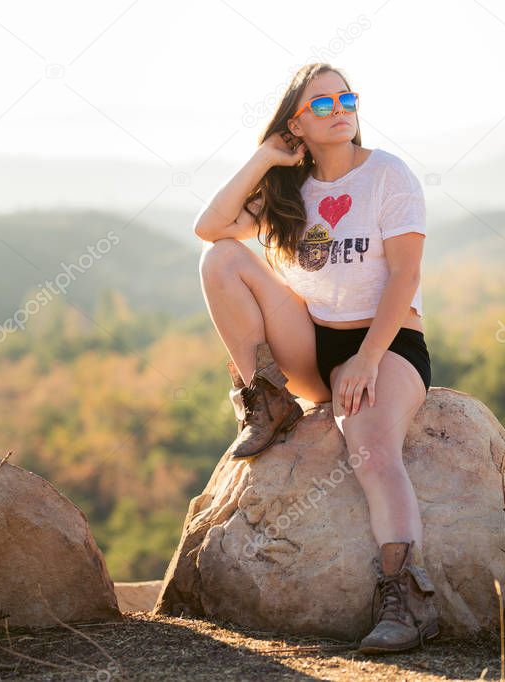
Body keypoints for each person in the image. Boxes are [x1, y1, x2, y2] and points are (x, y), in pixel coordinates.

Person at [194, 62, 438, 654]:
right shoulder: (288, 189)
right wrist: (264, 160)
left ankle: (404, 598)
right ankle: (267, 401)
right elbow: (210, 227)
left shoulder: (388, 174)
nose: (341, 110)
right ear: (295, 124)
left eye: (346, 98)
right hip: (313, 340)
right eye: (321, 104)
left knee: (372, 451)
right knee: (220, 261)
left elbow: (405, 274)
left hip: (388, 342)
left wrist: (367, 359)